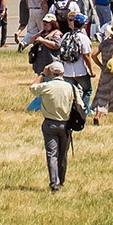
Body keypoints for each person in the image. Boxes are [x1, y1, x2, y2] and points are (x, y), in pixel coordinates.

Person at [31, 61, 80, 191]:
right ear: (63, 73)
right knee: (63, 155)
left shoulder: (47, 86)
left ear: (51, 73)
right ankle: (61, 180)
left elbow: (33, 88)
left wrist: (42, 73)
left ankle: (54, 183)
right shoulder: (71, 87)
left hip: (50, 123)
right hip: (65, 125)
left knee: (52, 154)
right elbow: (81, 105)